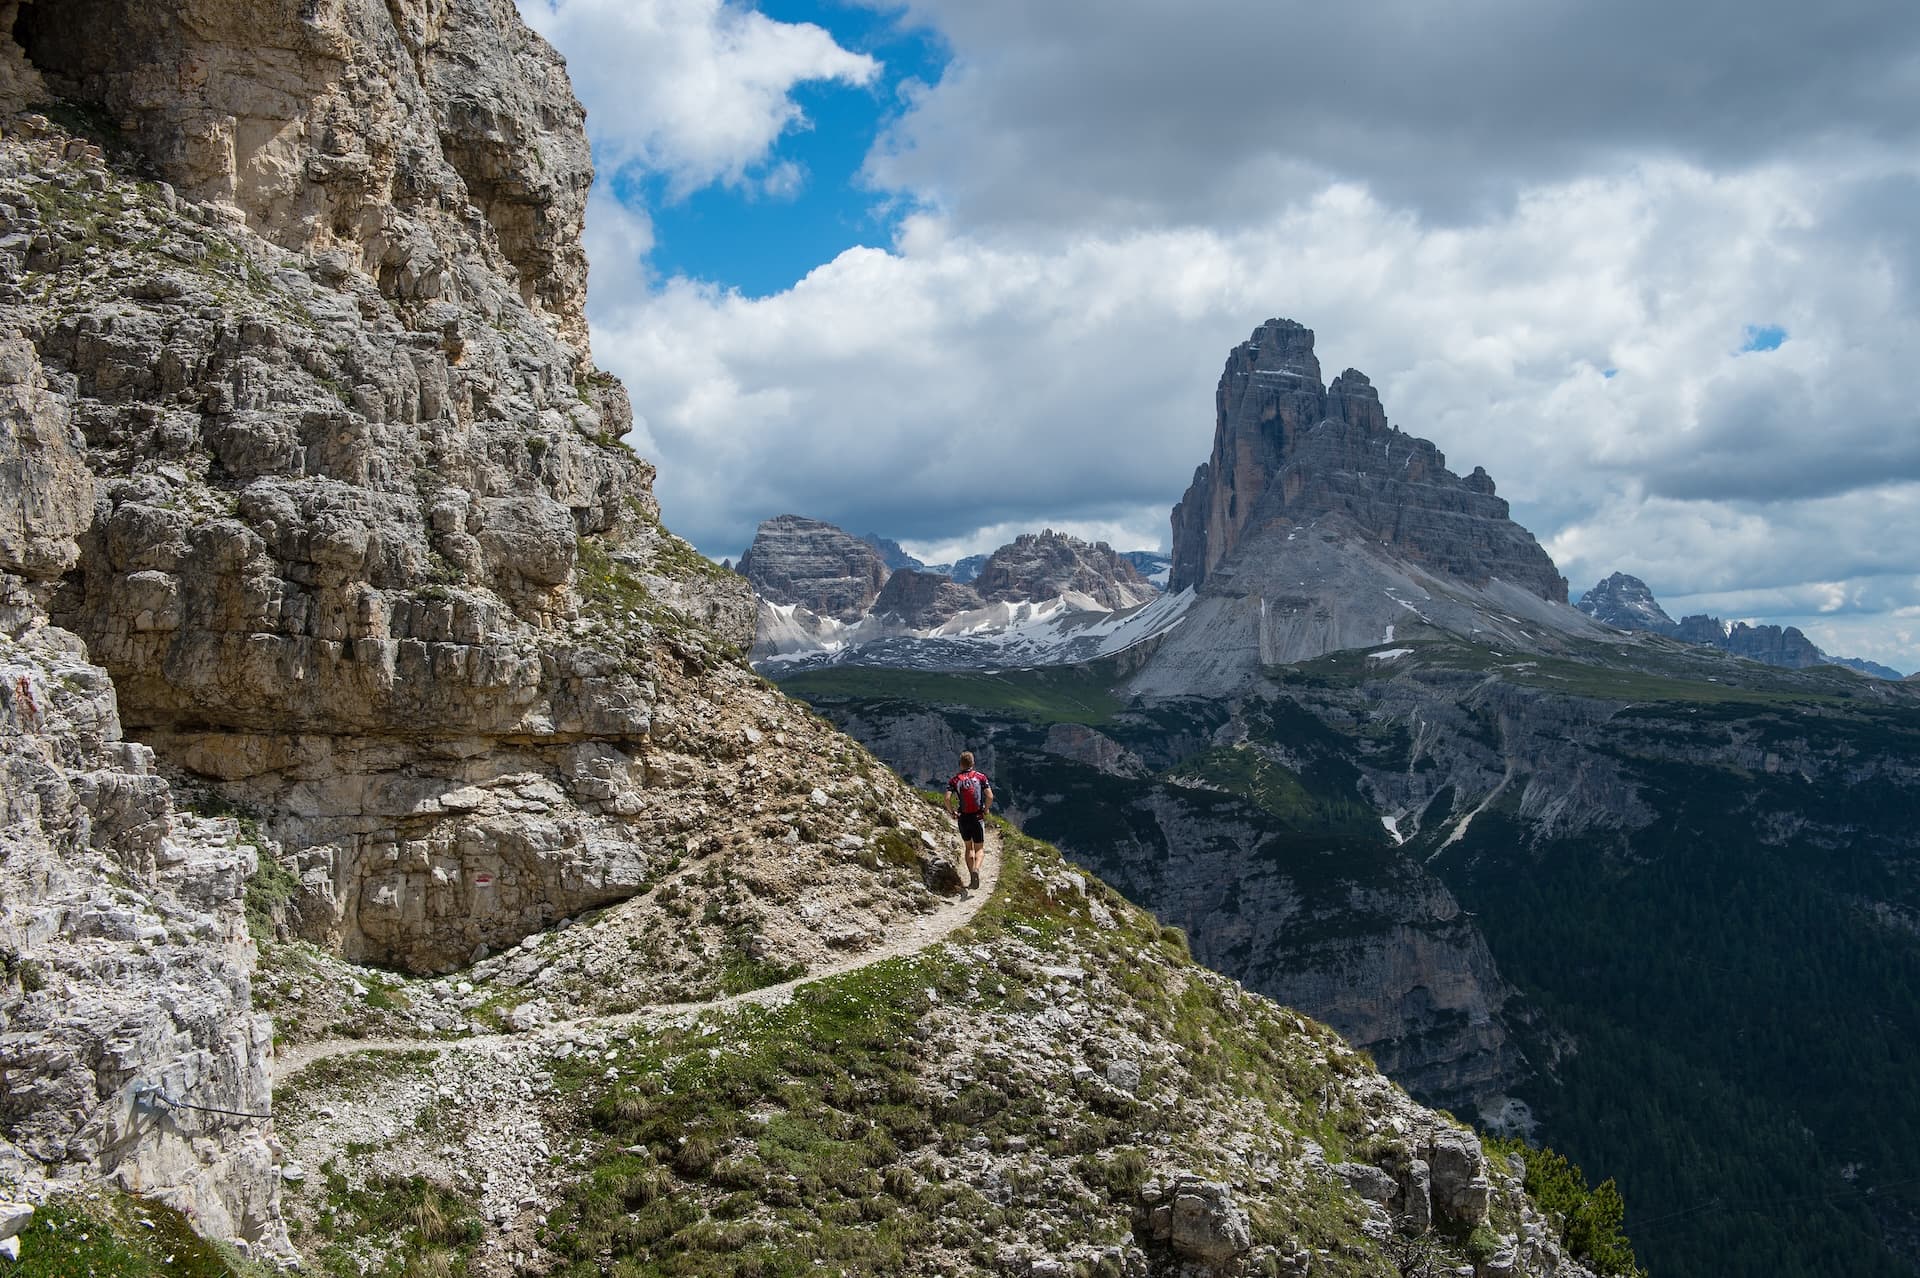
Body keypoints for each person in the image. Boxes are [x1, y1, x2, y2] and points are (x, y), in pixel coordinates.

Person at [944, 751, 994, 890]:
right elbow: (990, 796)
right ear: (973, 763)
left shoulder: (955, 780)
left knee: (968, 847)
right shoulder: (981, 777)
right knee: (979, 848)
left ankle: (972, 877)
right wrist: (985, 809)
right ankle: (976, 869)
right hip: (977, 817)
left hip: (963, 818)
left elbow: (947, 798)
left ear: (960, 764)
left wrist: (952, 812)